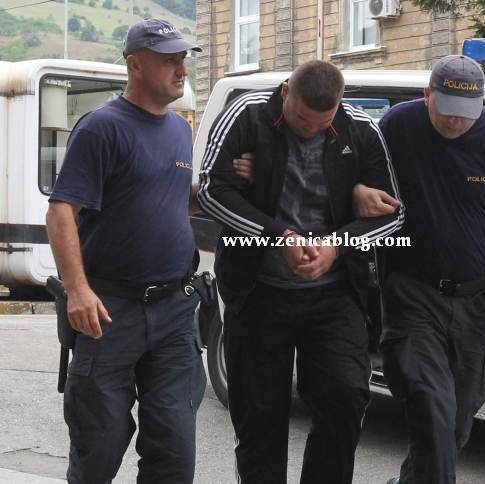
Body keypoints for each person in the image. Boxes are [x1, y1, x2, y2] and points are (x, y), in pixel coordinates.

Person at [196, 59, 403, 484]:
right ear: (286, 91)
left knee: (345, 398)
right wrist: (279, 237)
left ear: (338, 107)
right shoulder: (247, 115)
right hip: (258, 292)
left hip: (334, 295)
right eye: (302, 120)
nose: (310, 130)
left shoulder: (359, 128)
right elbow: (213, 191)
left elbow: (393, 215)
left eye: (322, 123)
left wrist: (337, 245)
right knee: (259, 418)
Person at [358, 54, 485, 484]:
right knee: (433, 407)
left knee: (457, 421)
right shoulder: (398, 126)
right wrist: (359, 191)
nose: (457, 121)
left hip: (474, 301)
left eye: (467, 112)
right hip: (412, 293)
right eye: (447, 111)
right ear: (428, 95)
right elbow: (353, 174)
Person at [45, 19, 205, 484]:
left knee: (174, 452)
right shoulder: (101, 128)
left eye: (182, 59)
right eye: (168, 60)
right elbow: (61, 212)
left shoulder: (179, 130)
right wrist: (77, 290)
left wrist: (229, 185)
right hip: (109, 312)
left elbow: (168, 196)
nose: (181, 69)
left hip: (175, 310)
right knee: (99, 447)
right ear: (135, 66)